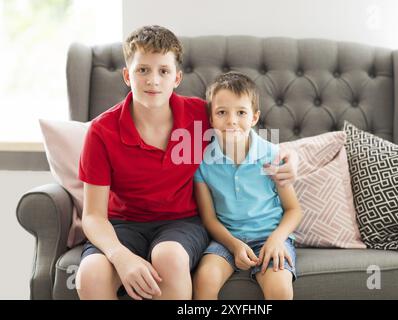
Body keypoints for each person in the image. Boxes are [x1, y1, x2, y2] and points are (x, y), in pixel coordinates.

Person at [75, 25, 298, 300]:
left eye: (163, 71)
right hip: (122, 225)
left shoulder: (200, 115)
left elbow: (244, 130)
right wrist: (120, 256)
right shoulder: (101, 132)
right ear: (126, 75)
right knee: (90, 275)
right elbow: (94, 216)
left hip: (180, 223)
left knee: (169, 258)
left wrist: (291, 157)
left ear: (177, 77)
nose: (153, 81)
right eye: (142, 70)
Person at [193, 72, 303, 300]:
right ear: (211, 119)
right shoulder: (203, 162)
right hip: (226, 239)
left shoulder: (271, 156)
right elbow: (209, 219)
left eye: (241, 112)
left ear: (254, 117)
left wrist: (276, 240)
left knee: (280, 290)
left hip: (269, 237)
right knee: (204, 281)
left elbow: (294, 209)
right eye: (222, 112)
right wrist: (234, 245)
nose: (232, 120)